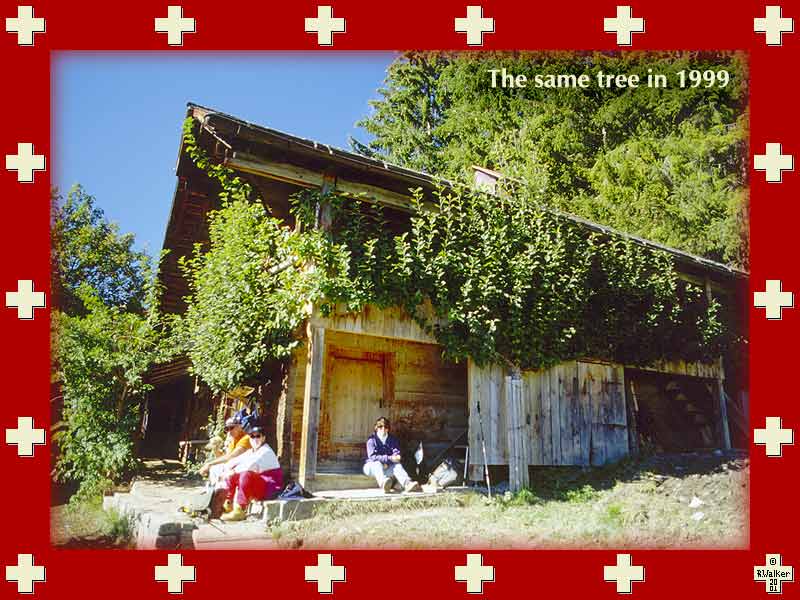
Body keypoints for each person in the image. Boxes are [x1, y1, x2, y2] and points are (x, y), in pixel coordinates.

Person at [219, 424, 284, 522]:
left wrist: (232, 472)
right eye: (252, 436)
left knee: (245, 474)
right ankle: (228, 504)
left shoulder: (266, 451)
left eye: (258, 436)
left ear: (263, 438)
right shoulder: (251, 451)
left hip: (270, 488)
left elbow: (250, 466)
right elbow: (234, 461)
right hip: (259, 485)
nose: (255, 439)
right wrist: (227, 469)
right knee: (232, 475)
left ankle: (240, 510)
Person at [363, 416, 421, 493]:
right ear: (376, 428)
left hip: (387, 467)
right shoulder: (371, 440)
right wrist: (389, 459)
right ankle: (384, 483)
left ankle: (407, 484)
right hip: (371, 467)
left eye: (385, 427)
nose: (383, 429)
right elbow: (373, 457)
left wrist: (392, 459)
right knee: (377, 464)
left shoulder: (392, 439)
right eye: (380, 426)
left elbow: (396, 454)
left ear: (388, 429)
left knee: (397, 466)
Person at [198, 414, 251, 484]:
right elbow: (224, 458)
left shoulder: (246, 438)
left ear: (239, 427)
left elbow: (231, 456)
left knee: (216, 469)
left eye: (231, 428)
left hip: (244, 470)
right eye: (227, 429)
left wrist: (209, 464)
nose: (229, 431)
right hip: (234, 468)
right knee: (215, 468)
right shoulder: (234, 440)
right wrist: (215, 449)